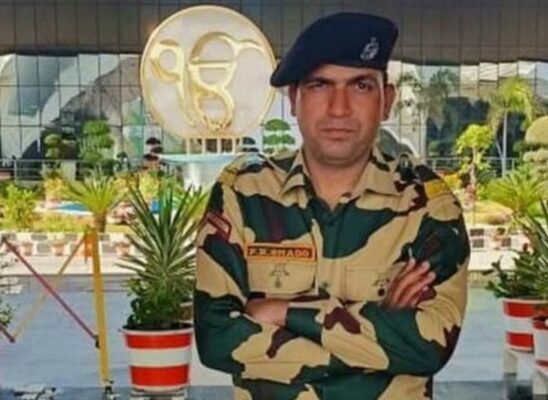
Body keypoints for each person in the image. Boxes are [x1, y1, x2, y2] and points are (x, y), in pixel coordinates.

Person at [194, 11, 470, 400]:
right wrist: (378, 336)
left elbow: (427, 347)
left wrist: (283, 312)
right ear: (295, 99)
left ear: (387, 101)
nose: (339, 108)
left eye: (361, 86)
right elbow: (218, 340)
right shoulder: (242, 195)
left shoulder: (427, 206)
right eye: (320, 85)